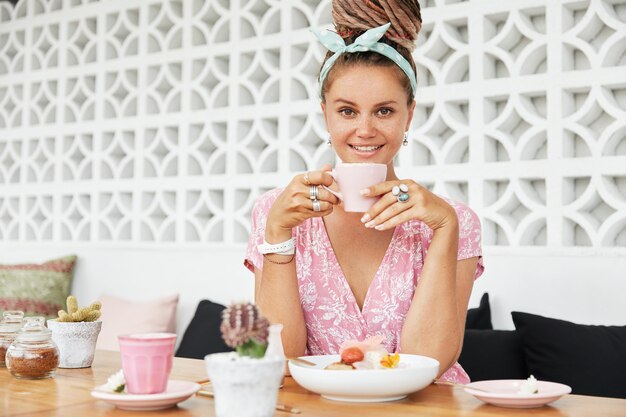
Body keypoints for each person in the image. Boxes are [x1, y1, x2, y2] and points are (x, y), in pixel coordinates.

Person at [244, 0, 483, 383]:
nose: (365, 129)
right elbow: (282, 358)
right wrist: (277, 237)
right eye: (347, 111)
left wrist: (444, 229)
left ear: (410, 113)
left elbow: (430, 363)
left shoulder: (451, 220)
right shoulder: (276, 211)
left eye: (384, 111)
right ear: (325, 113)